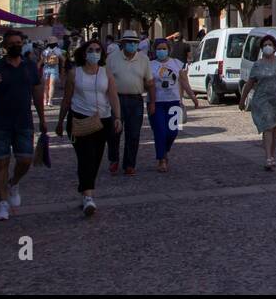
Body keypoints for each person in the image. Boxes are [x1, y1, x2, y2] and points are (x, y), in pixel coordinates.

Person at [0, 29, 46, 221]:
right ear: (5, 47)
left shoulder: (30, 67)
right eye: (12, 43)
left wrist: (42, 119)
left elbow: (37, 94)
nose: (16, 46)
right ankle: (2, 204)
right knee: (1, 162)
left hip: (23, 121)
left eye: (19, 42)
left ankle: (14, 182)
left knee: (25, 160)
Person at [57, 39, 122, 217]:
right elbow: (66, 99)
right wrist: (60, 121)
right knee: (86, 156)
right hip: (79, 120)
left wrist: (118, 117)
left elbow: (113, 96)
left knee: (96, 158)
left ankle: (85, 188)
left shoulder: (106, 73)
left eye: (98, 50)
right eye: (91, 50)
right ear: (85, 53)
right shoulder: (74, 74)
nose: (95, 53)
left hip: (103, 121)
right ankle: (88, 196)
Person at [239, 34, 276, 171]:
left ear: (275, 48)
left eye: (270, 45)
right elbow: (249, 83)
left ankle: (272, 154)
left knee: (275, 127)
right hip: (262, 100)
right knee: (268, 126)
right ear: (262, 48)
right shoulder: (257, 65)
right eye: (265, 45)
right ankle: (268, 156)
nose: (268, 47)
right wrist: (242, 99)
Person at [107, 29, 153, 175]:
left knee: (133, 134)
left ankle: (129, 164)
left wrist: (152, 101)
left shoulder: (144, 59)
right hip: (117, 99)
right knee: (114, 133)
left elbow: (149, 82)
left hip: (136, 100)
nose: (132, 45)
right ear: (123, 43)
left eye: (134, 42)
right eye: (129, 42)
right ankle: (114, 159)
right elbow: (105, 80)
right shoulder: (112, 58)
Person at [148, 36, 196, 172]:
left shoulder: (177, 63)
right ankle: (162, 159)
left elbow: (184, 81)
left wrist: (192, 96)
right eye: (158, 49)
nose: (161, 51)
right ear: (154, 50)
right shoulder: (150, 65)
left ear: (169, 49)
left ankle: (165, 150)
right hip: (156, 103)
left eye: (164, 49)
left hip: (174, 102)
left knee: (173, 132)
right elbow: (147, 83)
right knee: (160, 132)